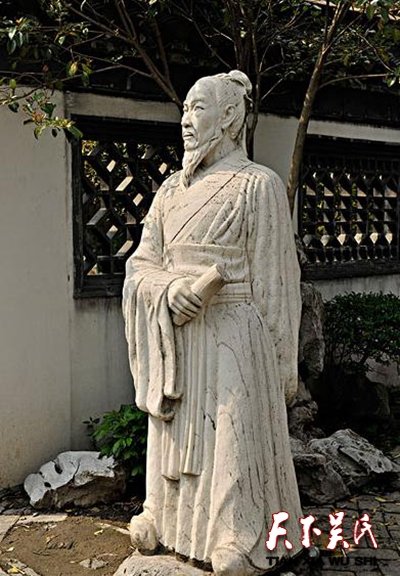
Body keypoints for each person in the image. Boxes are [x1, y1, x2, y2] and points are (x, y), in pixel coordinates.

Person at [122, 70, 303, 576]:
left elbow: (277, 282)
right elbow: (141, 265)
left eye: (196, 108)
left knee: (232, 436)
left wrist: (280, 363)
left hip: (235, 333)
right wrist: (166, 290)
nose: (185, 120)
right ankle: (163, 516)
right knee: (173, 431)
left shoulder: (258, 185)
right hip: (177, 334)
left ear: (228, 116)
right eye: (183, 109)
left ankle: (237, 533)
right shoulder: (168, 192)